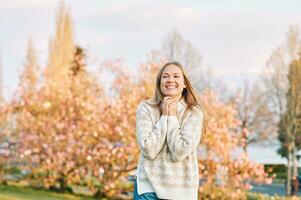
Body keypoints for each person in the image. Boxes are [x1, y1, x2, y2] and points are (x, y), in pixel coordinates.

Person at [134, 62, 205, 200]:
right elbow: (148, 149)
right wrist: (164, 117)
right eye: (165, 76)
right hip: (148, 189)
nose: (170, 80)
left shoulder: (194, 112)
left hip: (181, 192)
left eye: (176, 76)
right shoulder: (146, 108)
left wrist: (172, 118)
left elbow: (180, 152)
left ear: (184, 83)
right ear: (160, 83)